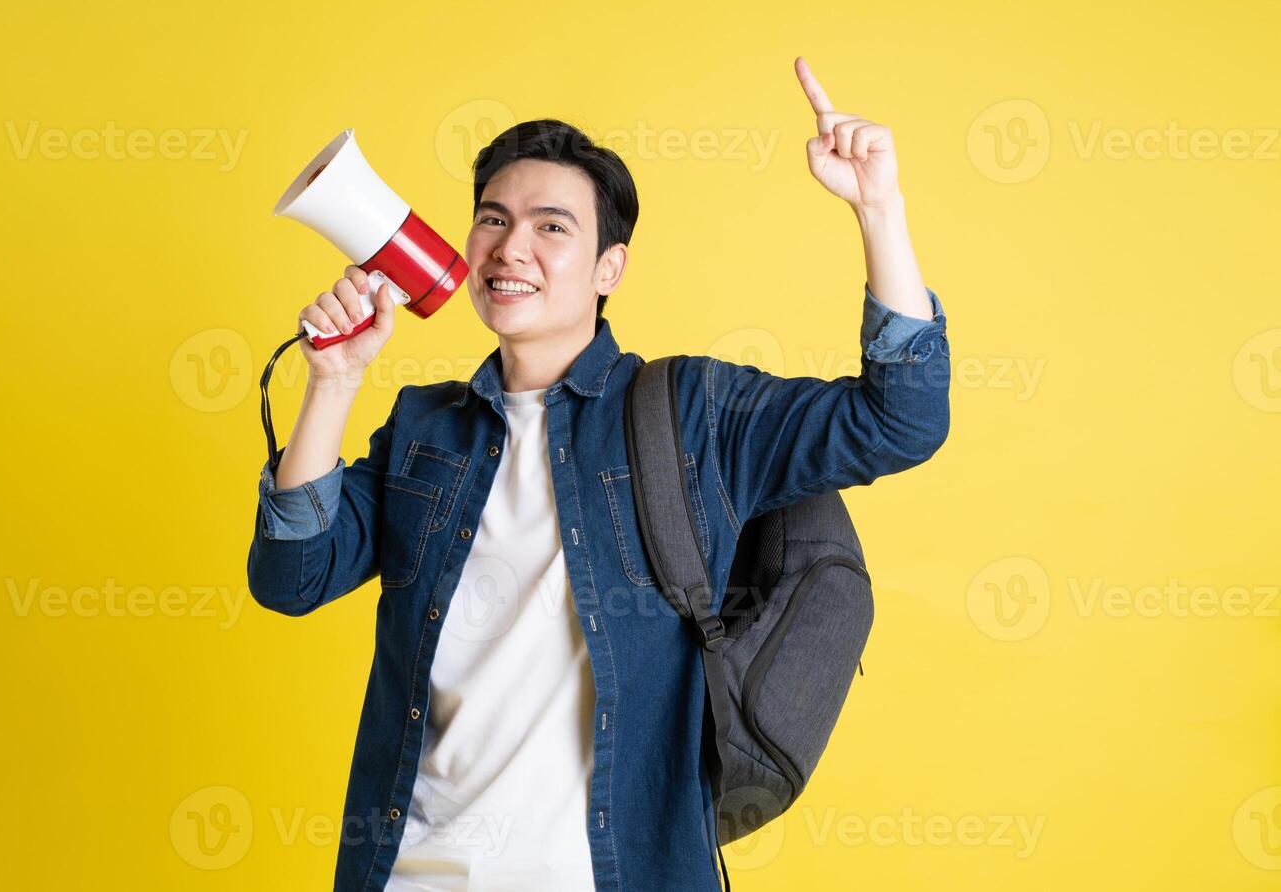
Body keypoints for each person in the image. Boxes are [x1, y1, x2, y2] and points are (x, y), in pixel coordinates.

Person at [248, 57, 952, 891]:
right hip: (412, 872)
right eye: (492, 219)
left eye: (552, 227)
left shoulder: (692, 411)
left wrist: (880, 209)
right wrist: (332, 384)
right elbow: (290, 577)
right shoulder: (424, 426)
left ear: (609, 268)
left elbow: (899, 420)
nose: (512, 247)